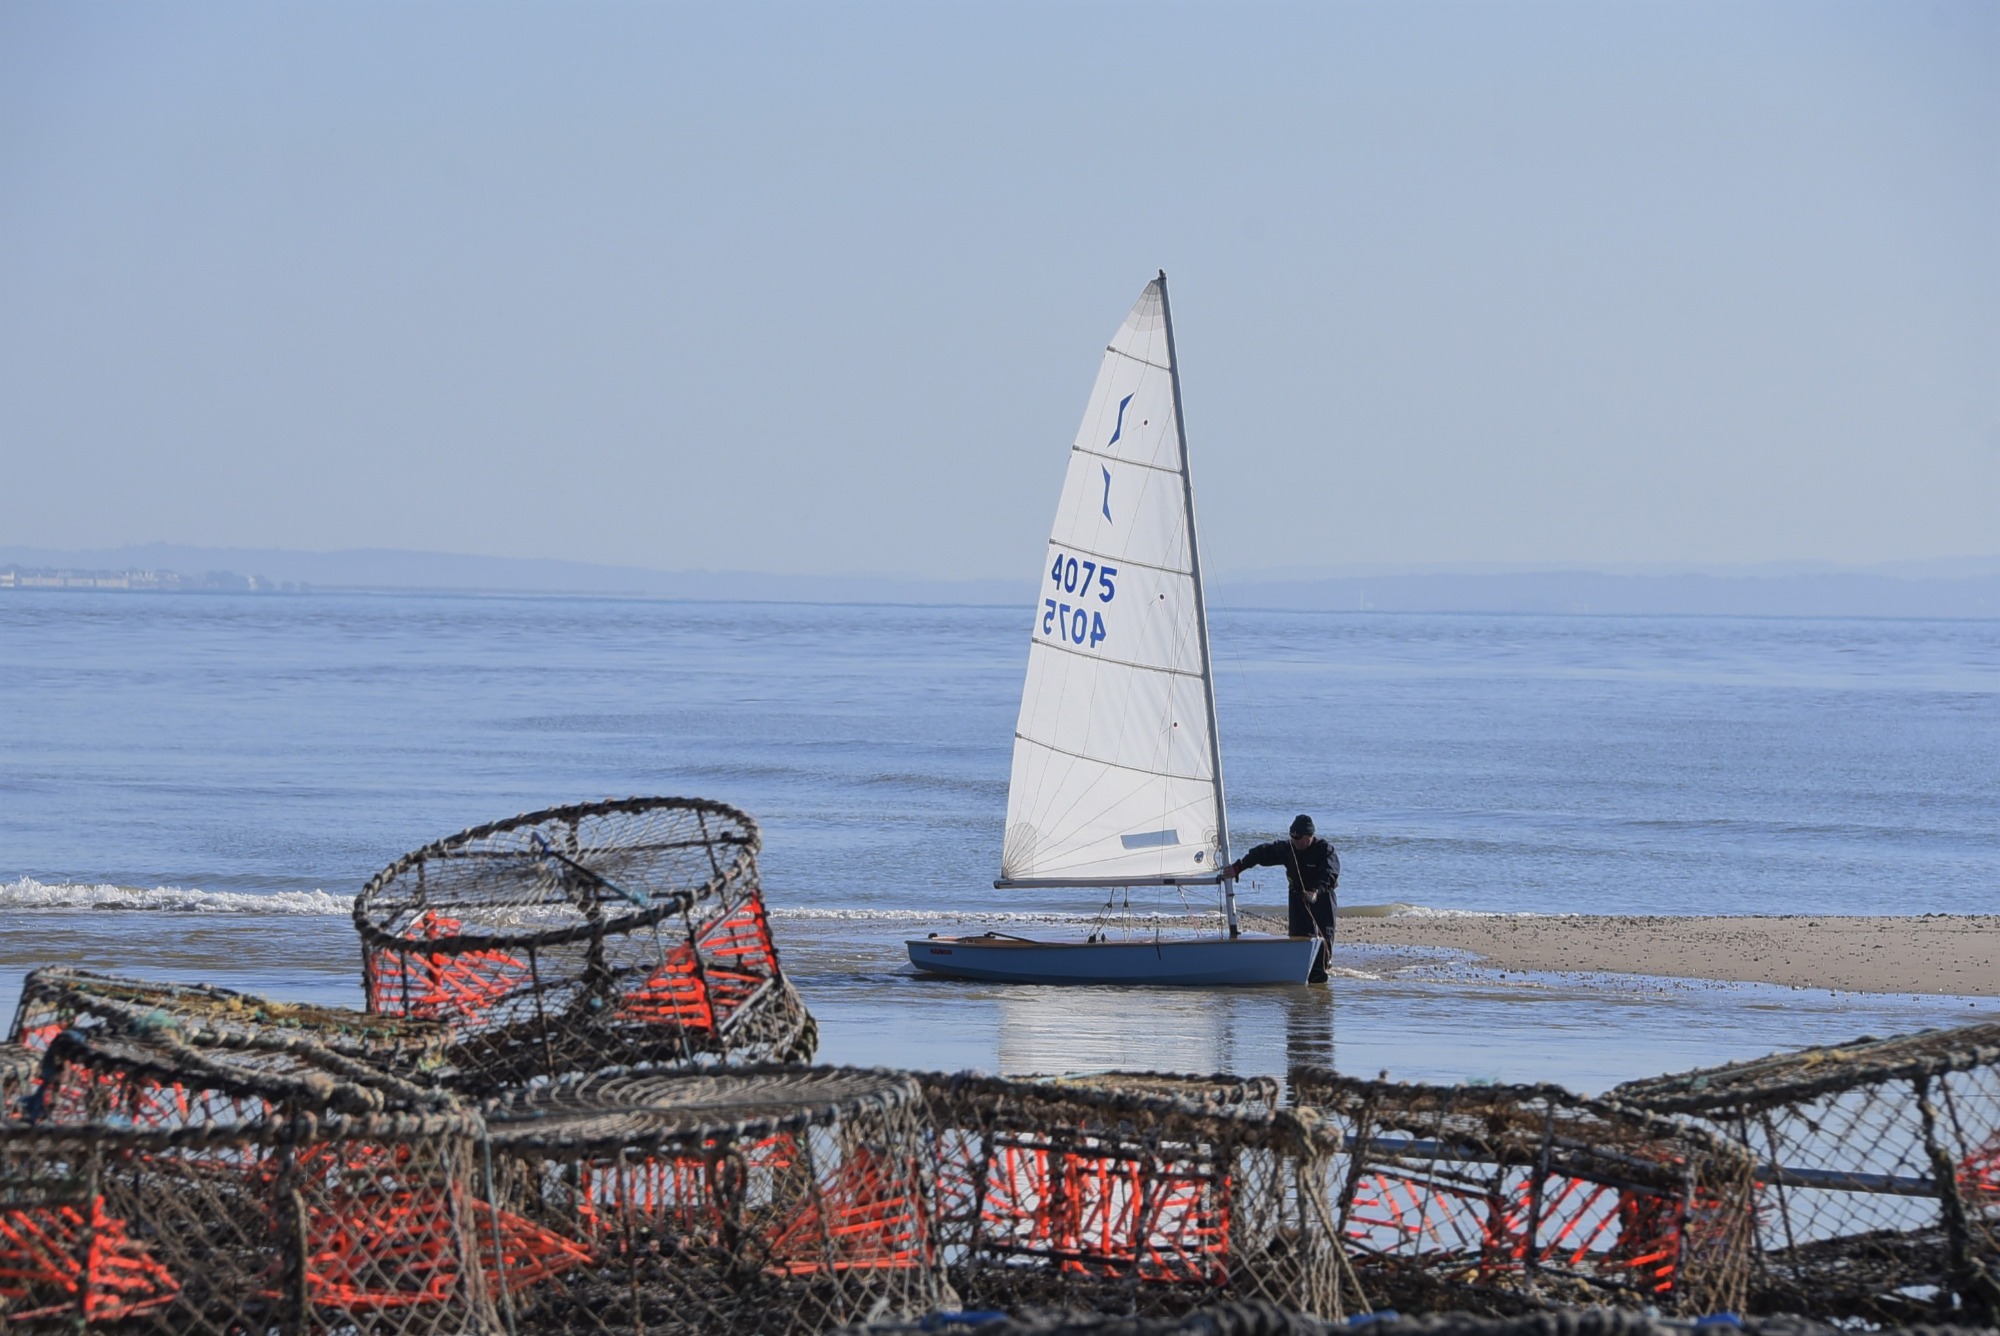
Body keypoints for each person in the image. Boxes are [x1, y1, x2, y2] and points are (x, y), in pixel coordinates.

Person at [1224, 814, 1338, 982]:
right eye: (1292, 837)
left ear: (1309, 836)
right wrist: (1239, 866)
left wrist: (1315, 892)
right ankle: (1300, 972)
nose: (1294, 841)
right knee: (1299, 935)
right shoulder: (1288, 848)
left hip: (1321, 896)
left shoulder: (1325, 850)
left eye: (1298, 838)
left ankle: (1320, 970)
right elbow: (1261, 853)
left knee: (1324, 934)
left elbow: (1330, 874)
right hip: (1298, 897)